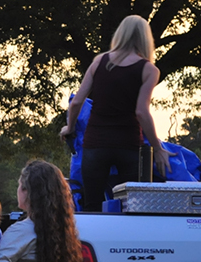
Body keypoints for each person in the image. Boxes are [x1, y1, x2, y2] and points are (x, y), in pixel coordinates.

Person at [60, 15, 172, 212]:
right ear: (146, 38)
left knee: (92, 205)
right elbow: (141, 112)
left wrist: (69, 127)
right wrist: (158, 147)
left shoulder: (99, 62)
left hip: (95, 145)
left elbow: (77, 101)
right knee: (132, 207)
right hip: (128, 146)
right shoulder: (149, 70)